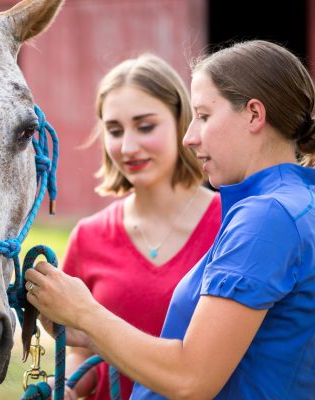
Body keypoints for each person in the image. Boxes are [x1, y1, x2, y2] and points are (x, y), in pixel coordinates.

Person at [26, 40, 315, 399]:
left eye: (205, 116)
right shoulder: (295, 201)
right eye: (114, 130)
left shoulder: (266, 216)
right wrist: (90, 339)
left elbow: (191, 378)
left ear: (255, 115)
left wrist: (85, 313)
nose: (191, 137)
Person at [53, 54, 221, 400]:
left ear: (181, 122)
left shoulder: (232, 223)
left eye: (145, 127)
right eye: (114, 131)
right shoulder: (88, 236)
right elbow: (82, 352)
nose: (128, 147)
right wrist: (66, 387)